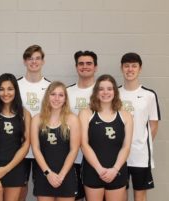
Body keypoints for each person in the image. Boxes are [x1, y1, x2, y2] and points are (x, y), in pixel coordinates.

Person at [79, 74, 133, 201]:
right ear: (96, 92)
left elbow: (126, 147)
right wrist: (99, 169)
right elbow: (84, 144)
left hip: (117, 171)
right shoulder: (86, 113)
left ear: (115, 91)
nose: (105, 92)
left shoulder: (126, 116)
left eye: (109, 89)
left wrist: (114, 169)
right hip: (93, 170)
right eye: (101, 89)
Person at [0, 73, 31, 201]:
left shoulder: (25, 114)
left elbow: (25, 145)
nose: (5, 93)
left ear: (16, 91)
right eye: (1, 89)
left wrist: (6, 169)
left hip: (14, 167)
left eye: (10, 89)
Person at [118, 53, 161, 201]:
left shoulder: (149, 95)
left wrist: (141, 143)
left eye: (134, 66)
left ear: (140, 69)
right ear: (121, 68)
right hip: (117, 155)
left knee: (140, 194)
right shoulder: (114, 93)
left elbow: (153, 125)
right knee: (119, 193)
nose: (130, 69)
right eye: (126, 66)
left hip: (140, 156)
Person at [31, 81, 80, 201]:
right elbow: (35, 149)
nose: (56, 98)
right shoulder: (37, 119)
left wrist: (61, 175)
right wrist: (48, 173)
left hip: (65, 174)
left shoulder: (72, 119)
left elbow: (74, 150)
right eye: (53, 94)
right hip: (44, 174)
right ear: (47, 96)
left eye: (61, 95)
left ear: (65, 99)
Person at [17, 44, 51, 201]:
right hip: (19, 145)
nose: (34, 62)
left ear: (43, 61)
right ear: (24, 61)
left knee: (43, 188)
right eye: (30, 58)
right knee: (19, 188)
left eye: (38, 58)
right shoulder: (15, 86)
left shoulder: (50, 87)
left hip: (43, 146)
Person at [67, 50, 98, 201]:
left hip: (97, 156)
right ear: (76, 66)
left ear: (95, 67)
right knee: (75, 196)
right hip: (73, 157)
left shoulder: (105, 91)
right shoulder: (66, 92)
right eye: (81, 63)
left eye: (89, 63)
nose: (85, 67)